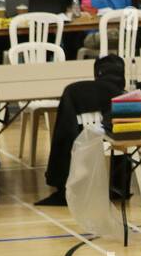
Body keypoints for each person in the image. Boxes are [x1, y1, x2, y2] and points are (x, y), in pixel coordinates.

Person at [36, 55, 125, 207]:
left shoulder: (73, 91)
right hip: (110, 137)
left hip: (79, 138)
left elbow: (63, 132)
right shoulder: (122, 95)